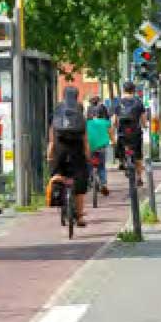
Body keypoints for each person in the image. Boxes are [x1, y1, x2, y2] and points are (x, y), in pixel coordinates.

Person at [47, 86, 90, 227]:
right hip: (76, 148)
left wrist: (50, 152)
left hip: (60, 147)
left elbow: (52, 132)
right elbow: (84, 135)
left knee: (56, 171)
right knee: (80, 179)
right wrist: (87, 153)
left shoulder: (58, 108)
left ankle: (57, 185)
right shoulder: (79, 108)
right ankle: (79, 216)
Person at [113, 81, 147, 187]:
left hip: (123, 132)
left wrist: (114, 126)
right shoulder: (138, 102)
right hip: (135, 131)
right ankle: (139, 177)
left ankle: (123, 162)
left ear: (124, 90)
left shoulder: (118, 102)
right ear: (134, 90)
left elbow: (114, 120)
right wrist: (145, 125)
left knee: (120, 146)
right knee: (138, 155)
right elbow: (143, 119)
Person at [86, 105, 112, 197]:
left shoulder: (87, 123)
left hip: (90, 148)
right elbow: (110, 133)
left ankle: (89, 180)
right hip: (101, 148)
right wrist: (114, 142)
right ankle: (103, 184)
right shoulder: (106, 122)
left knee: (89, 165)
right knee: (101, 167)